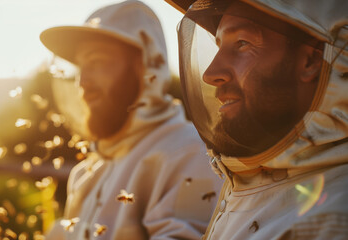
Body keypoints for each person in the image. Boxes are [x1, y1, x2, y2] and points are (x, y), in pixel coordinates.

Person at [164, 0, 348, 239]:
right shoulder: (248, 185)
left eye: (242, 43)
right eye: (219, 45)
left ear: (311, 61)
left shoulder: (332, 220)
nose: (210, 73)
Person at [40, 1, 222, 239]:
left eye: (96, 62)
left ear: (146, 68)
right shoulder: (85, 173)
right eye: (81, 67)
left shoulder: (191, 156)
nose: (83, 82)